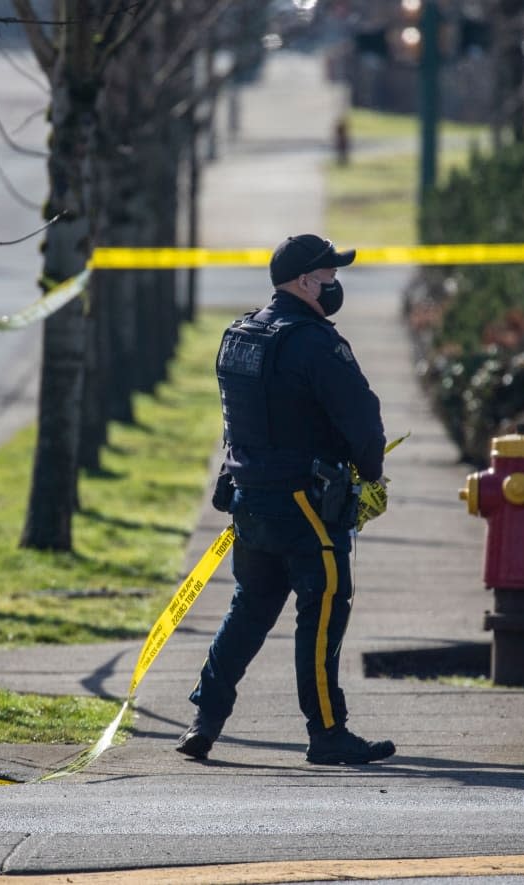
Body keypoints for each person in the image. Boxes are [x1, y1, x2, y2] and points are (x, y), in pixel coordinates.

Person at [177, 234, 395, 766]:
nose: (336, 284)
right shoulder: (316, 342)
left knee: (249, 609)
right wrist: (371, 476)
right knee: (323, 610)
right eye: (330, 276)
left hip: (250, 501)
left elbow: (241, 419)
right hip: (307, 505)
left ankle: (205, 720)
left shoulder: (240, 334)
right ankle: (327, 732)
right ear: (304, 282)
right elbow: (363, 420)